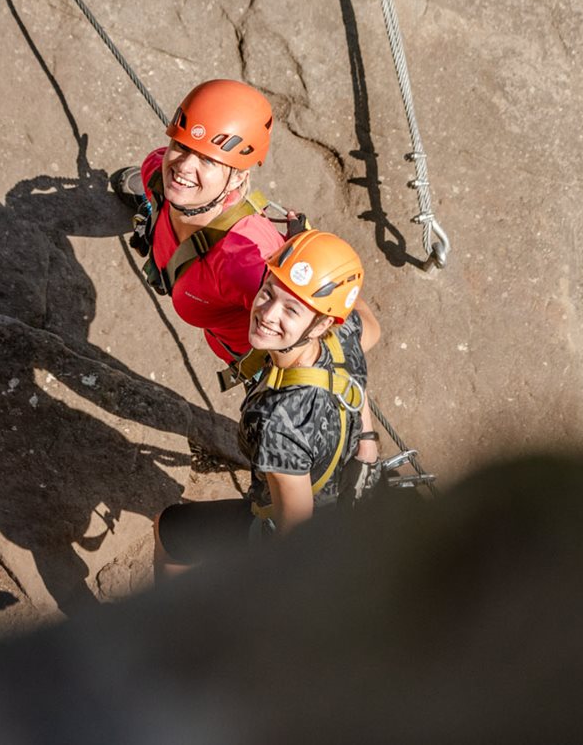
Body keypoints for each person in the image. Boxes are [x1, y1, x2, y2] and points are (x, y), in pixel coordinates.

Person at [153, 230, 384, 574]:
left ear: (320, 324)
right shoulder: (345, 332)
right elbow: (370, 324)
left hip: (288, 527)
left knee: (169, 528)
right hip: (346, 485)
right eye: (267, 293)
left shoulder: (277, 422)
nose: (267, 314)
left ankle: (170, 610)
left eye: (291, 309)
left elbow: (295, 534)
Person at [114, 79, 383, 367]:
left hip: (257, 359)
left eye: (208, 160)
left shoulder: (247, 264)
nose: (183, 167)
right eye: (181, 146)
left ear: (238, 178)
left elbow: (368, 332)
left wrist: (321, 270)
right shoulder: (156, 173)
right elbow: (167, 170)